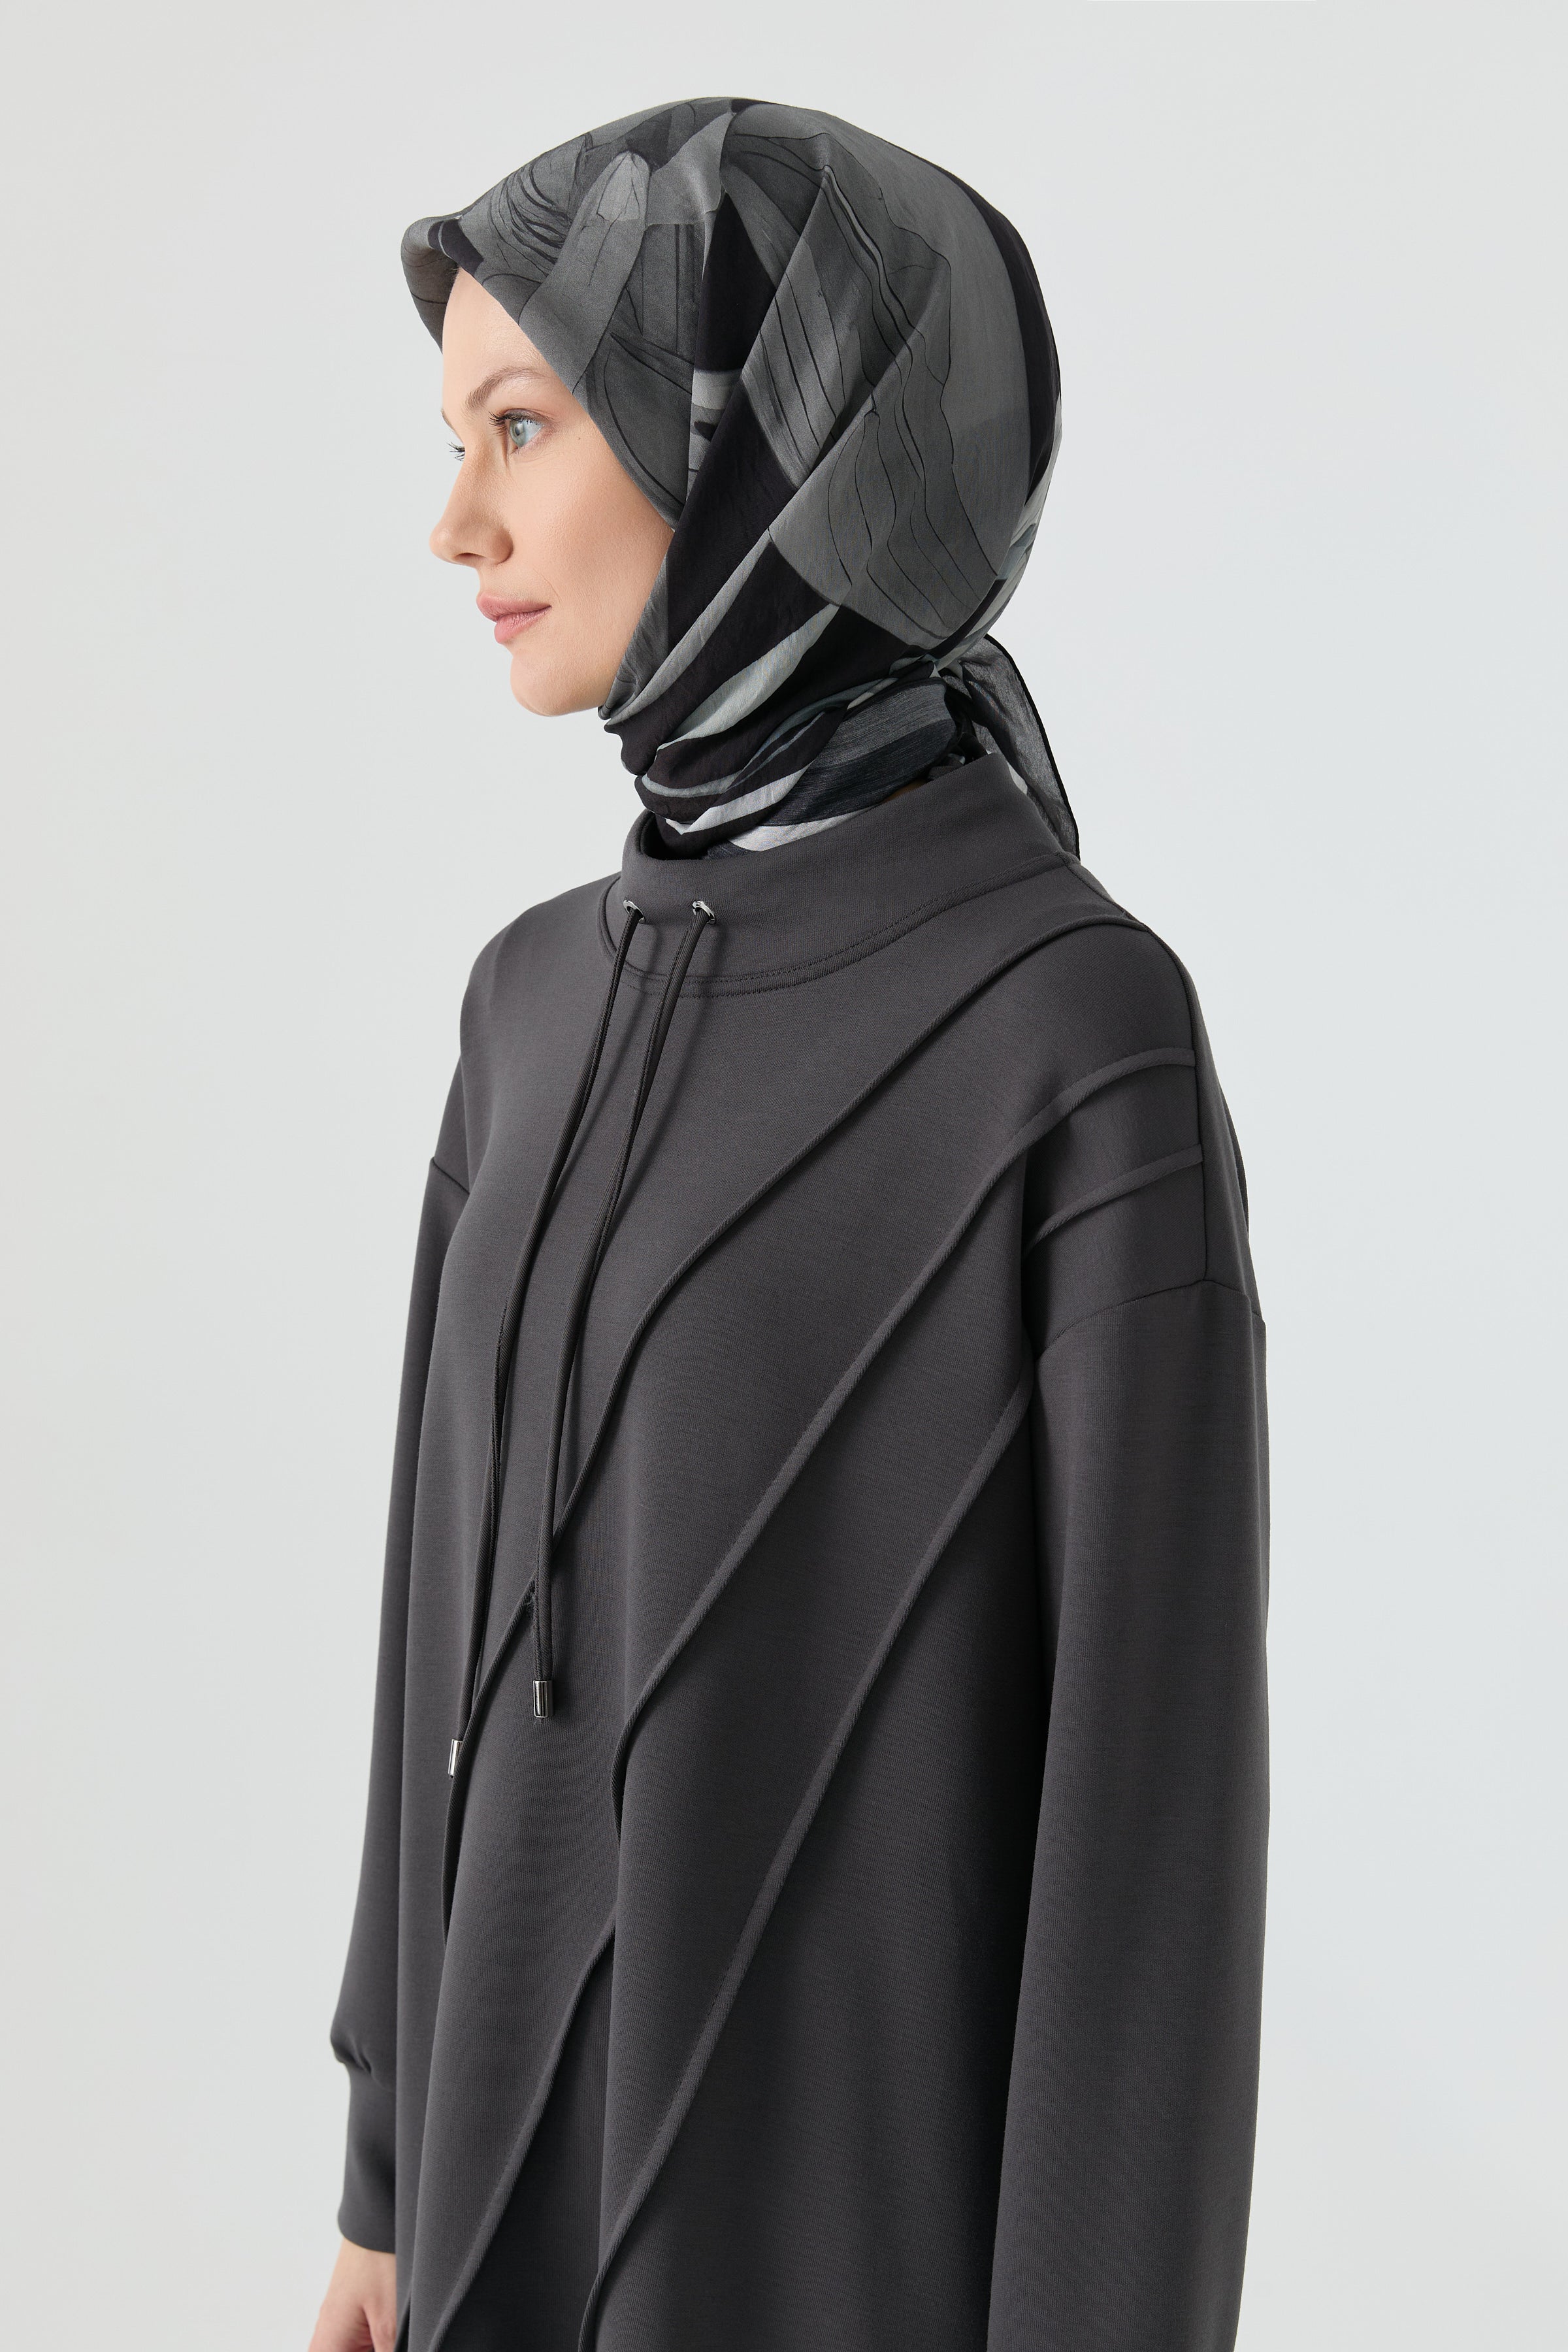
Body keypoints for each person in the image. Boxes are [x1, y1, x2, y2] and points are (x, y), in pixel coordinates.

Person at [308, 99, 1269, 2352]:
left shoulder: (1072, 1035)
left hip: (859, 2261)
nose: (458, 525)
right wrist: (385, 2185)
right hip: (492, 2241)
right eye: (456, 441)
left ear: (763, 442)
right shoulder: (528, 1004)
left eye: (523, 425)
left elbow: (1146, 1847)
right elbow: (434, 1631)